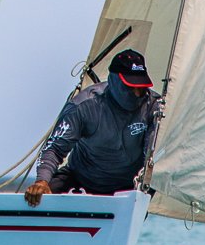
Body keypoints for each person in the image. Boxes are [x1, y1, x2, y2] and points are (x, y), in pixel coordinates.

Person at [24, 48, 162, 207]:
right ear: (113, 80)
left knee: (149, 183)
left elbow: (155, 158)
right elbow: (54, 148)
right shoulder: (84, 105)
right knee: (39, 198)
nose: (138, 94)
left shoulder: (155, 107)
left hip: (129, 187)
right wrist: (42, 181)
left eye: (141, 87)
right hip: (81, 179)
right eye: (131, 87)